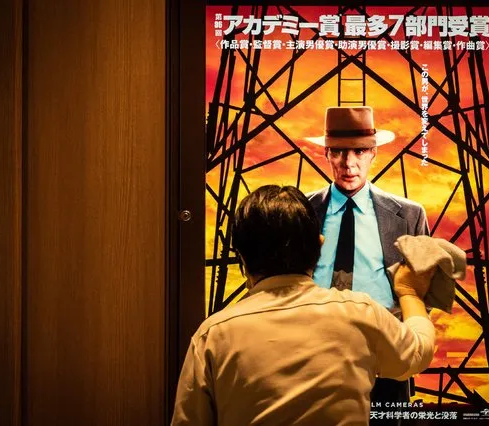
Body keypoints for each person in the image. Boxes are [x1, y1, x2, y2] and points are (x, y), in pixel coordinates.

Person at [171, 185, 435, 426]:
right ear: (319, 244)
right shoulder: (360, 313)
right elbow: (418, 352)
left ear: (241, 254)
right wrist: (409, 291)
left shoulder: (213, 335)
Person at [305, 106, 429, 411]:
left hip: (384, 365)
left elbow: (424, 294)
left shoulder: (409, 216)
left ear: (373, 153)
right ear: (326, 154)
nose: (349, 163)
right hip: (310, 361)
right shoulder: (302, 212)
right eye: (339, 152)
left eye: (359, 152)